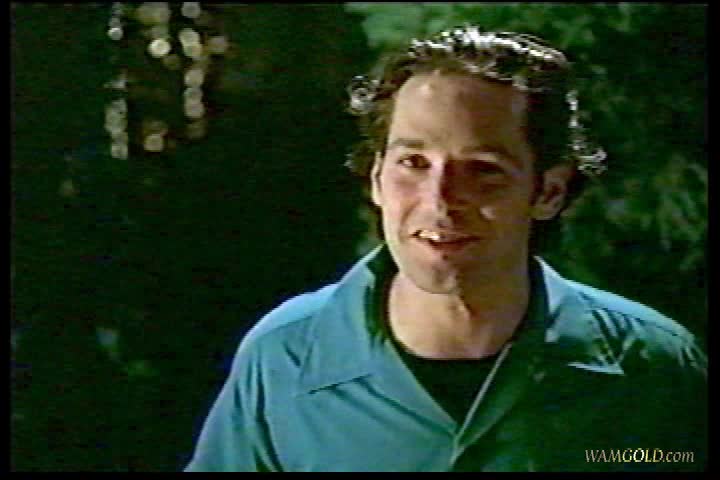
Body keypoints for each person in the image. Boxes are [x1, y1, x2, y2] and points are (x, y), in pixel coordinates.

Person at [184, 25, 707, 472]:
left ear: (548, 191)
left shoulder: (653, 366)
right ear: (376, 178)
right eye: (413, 163)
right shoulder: (285, 356)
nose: (440, 201)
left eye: (483, 170)